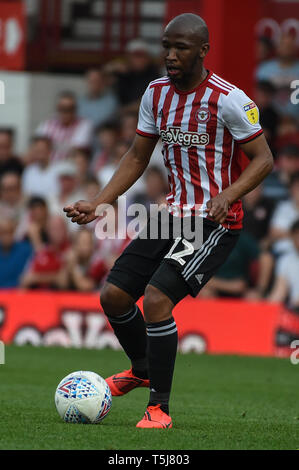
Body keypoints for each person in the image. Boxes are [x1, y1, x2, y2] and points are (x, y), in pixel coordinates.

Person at [64, 13, 273, 429]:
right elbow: (138, 157)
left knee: (157, 300)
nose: (171, 55)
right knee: (115, 297)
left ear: (203, 50)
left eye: (180, 47)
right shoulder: (155, 94)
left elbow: (264, 159)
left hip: (214, 222)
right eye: (166, 46)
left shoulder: (229, 100)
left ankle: (159, 408)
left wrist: (228, 194)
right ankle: (141, 369)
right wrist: (100, 202)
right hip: (169, 214)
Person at [35, 91, 93, 162]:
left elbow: (77, 150)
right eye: (62, 108)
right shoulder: (47, 124)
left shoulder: (84, 124)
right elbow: (38, 147)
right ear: (57, 108)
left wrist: (50, 146)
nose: (65, 112)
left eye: (69, 109)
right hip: (48, 166)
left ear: (75, 109)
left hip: (70, 167)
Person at [268, 219, 299, 309]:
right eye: (296, 235)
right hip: (295, 311)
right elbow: (279, 292)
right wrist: (265, 307)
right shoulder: (285, 260)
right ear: (291, 237)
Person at [0, 217, 33, 288]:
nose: (6, 236)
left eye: (9, 232)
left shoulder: (26, 250)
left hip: (19, 294)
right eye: (3, 233)